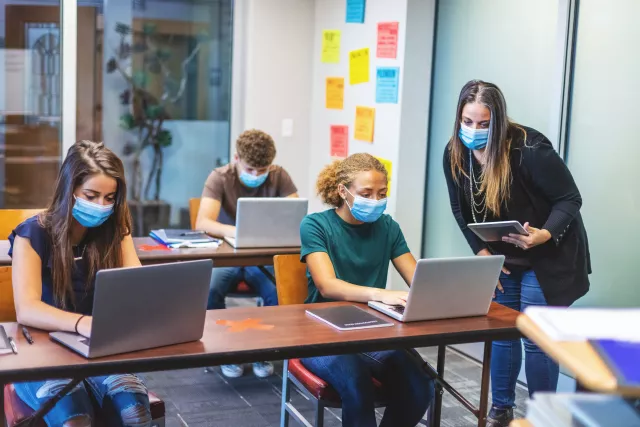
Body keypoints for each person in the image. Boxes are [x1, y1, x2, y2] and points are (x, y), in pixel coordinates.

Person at [443, 80, 591, 426]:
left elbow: (570, 199)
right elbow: (459, 210)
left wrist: (545, 234)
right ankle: (502, 409)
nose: (474, 131)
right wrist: (481, 252)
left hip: (547, 254)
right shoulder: (455, 153)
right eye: (467, 122)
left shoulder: (529, 149)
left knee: (536, 338)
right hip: (503, 258)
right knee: (503, 333)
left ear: (498, 121)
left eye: (484, 124)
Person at [8, 140, 151, 427]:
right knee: (76, 419)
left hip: (98, 348)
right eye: (92, 195)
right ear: (69, 190)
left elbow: (137, 286)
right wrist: (82, 322)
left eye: (110, 198)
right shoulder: (32, 233)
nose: (102, 205)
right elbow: (26, 309)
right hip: (42, 349)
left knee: (136, 414)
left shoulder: (115, 230)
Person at [299, 153, 434, 427]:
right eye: (366, 193)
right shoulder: (315, 225)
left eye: (381, 193)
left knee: (420, 386)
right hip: (320, 334)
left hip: (370, 331)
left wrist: (450, 292)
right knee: (357, 383)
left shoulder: (388, 227)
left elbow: (419, 280)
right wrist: (381, 294)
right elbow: (327, 286)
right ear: (343, 191)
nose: (375, 201)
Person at [196, 129, 298, 378]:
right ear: (236, 158)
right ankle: (225, 352)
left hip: (263, 256)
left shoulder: (279, 175)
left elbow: (296, 216)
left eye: (262, 171)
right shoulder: (219, 177)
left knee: (279, 291)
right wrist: (240, 231)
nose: (256, 175)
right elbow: (202, 223)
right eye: (250, 169)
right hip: (226, 254)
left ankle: (263, 352)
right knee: (210, 290)